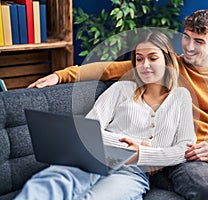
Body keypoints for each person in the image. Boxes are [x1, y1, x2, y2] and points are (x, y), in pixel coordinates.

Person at [28, 10, 208, 200]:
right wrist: (61, 74)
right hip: (189, 153)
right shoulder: (165, 64)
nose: (190, 47)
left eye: (199, 41)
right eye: (186, 38)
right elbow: (109, 68)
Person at [15, 32, 196, 200]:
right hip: (92, 157)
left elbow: (184, 150)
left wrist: (144, 153)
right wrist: (130, 147)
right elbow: (88, 131)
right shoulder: (121, 89)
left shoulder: (182, 98)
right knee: (51, 182)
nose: (145, 65)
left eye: (153, 58)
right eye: (139, 59)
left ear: (168, 61)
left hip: (132, 172)